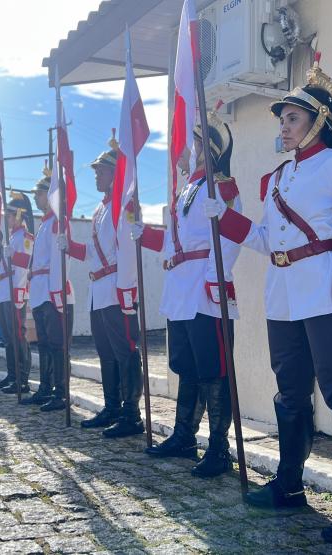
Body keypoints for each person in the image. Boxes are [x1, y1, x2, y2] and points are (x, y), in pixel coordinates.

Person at [202, 55, 332, 545]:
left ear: (319, 121)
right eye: (282, 117)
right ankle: (290, 484)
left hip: (323, 295)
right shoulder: (278, 178)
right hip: (282, 296)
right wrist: (226, 218)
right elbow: (267, 240)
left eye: (293, 117)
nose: (283, 124)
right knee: (290, 393)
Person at [135, 107, 243, 479]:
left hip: (205, 289)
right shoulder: (187, 189)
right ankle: (184, 436)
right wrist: (145, 235)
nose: (184, 149)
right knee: (188, 367)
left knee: (214, 370)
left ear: (207, 148)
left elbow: (229, 238)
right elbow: (175, 241)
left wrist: (215, 278)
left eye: (191, 143)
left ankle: (219, 448)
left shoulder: (221, 186)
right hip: (182, 288)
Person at [68, 140, 146, 439]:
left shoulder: (124, 206)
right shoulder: (101, 209)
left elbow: (128, 250)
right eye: (96, 171)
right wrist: (69, 246)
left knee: (126, 352)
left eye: (101, 171)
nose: (96, 176)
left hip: (116, 288)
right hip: (99, 289)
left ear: (115, 173)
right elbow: (93, 252)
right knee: (106, 353)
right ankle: (112, 407)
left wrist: (127, 291)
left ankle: (131, 413)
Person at [29, 166, 81, 410]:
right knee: (44, 344)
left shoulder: (58, 222)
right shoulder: (44, 224)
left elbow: (61, 260)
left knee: (58, 346)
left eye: (39, 194)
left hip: (54, 293)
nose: (36, 198)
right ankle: (46, 387)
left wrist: (56, 292)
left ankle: (61, 392)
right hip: (41, 292)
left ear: (50, 196)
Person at [0, 192, 33, 389]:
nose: (6, 219)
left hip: (14, 290)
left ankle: (21, 378)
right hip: (4, 290)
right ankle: (12, 374)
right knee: (8, 337)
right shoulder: (10, 238)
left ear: (18, 215)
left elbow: (25, 264)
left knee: (17, 335)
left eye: (9, 215)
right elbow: (4, 268)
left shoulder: (25, 237)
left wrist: (18, 292)